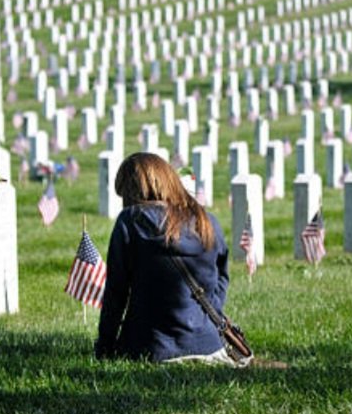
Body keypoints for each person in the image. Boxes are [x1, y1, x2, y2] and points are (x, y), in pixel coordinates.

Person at [95, 152, 245, 366]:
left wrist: (105, 346)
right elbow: (221, 279)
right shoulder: (207, 220)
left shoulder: (130, 221)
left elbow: (116, 292)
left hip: (150, 349)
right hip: (210, 348)